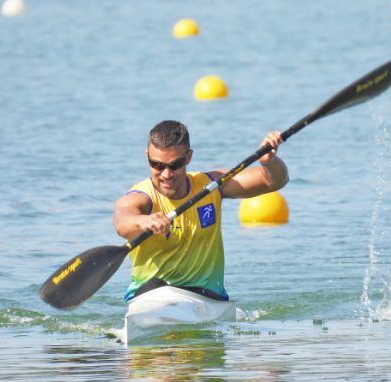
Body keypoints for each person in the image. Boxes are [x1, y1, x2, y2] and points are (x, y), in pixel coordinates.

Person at [114, 120, 288, 301]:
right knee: (156, 290)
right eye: (157, 165)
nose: (166, 174)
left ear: (188, 157)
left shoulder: (212, 185)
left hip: (207, 298)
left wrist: (270, 162)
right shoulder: (142, 197)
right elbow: (122, 221)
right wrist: (144, 221)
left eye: (174, 165)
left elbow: (274, 181)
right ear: (147, 157)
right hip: (150, 295)